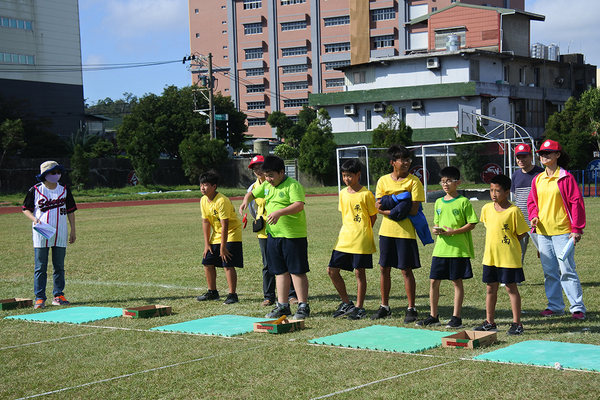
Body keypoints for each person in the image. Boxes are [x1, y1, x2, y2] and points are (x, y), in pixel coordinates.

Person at [239, 155, 310, 319]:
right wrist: (244, 201)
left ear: (281, 172)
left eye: (271, 175)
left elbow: (298, 205)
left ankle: (303, 306)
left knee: (297, 271)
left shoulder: (293, 186)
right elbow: (252, 193)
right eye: (266, 176)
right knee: (279, 272)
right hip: (273, 235)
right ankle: (283, 306)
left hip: (293, 236)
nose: (268, 179)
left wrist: (280, 212)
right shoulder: (266, 186)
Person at [527, 139, 586, 320]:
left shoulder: (566, 178)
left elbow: (577, 203)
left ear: (557, 155)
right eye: (541, 154)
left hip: (563, 232)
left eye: (547, 153)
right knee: (549, 271)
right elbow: (532, 202)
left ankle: (577, 308)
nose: (543, 156)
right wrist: (534, 215)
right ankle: (555, 306)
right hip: (543, 234)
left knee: (567, 269)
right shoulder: (538, 179)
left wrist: (576, 229)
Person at [416, 166, 478, 329]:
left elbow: (472, 223)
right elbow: (437, 222)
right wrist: (436, 229)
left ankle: (456, 317)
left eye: (449, 181)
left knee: (456, 282)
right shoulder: (438, 202)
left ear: (457, 182)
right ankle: (433, 316)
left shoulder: (463, 202)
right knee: (434, 281)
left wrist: (454, 232)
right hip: (441, 249)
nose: (445, 184)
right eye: (443, 181)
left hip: (458, 250)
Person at [372, 145, 425, 323]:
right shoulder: (383, 181)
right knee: (383, 268)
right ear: (393, 162)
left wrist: (390, 206)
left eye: (408, 159)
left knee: (406, 270)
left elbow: (413, 209)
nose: (407, 162)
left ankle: (411, 308)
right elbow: (379, 206)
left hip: (405, 232)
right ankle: (384, 307)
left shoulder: (414, 182)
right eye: (403, 159)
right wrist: (397, 208)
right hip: (386, 232)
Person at [474, 174, 529, 335]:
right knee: (490, 288)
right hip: (490, 257)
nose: (493, 194)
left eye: (497, 191)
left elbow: (521, 233)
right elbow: (488, 227)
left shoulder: (514, 211)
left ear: (507, 192)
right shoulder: (486, 209)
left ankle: (517, 324)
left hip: (508, 258)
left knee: (511, 289)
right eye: (491, 190)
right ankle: (490, 322)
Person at [22, 161, 77, 309]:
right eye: (53, 173)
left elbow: (71, 210)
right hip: (42, 231)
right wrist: (35, 220)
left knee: (59, 266)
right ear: (45, 174)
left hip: (61, 231)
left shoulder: (64, 189)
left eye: (58, 172)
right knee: (40, 266)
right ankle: (40, 298)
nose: (56, 175)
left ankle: (58, 295)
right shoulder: (36, 190)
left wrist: (73, 229)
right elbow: (25, 208)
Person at [327, 159, 377, 320]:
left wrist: (363, 231)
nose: (346, 179)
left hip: (361, 239)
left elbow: (372, 217)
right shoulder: (342, 193)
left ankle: (359, 307)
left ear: (358, 175)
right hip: (344, 238)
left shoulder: (367, 194)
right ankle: (346, 303)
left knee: (359, 272)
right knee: (332, 271)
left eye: (349, 176)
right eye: (344, 176)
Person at [246, 155, 297, 307]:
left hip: (281, 228)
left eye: (260, 167)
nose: (258, 171)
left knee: (286, 263)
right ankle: (269, 296)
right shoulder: (253, 188)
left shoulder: (280, 184)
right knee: (267, 264)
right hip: (264, 229)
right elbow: (251, 207)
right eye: (255, 169)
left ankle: (291, 295)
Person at [197, 170, 243, 305]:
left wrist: (223, 247)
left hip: (232, 233)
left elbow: (225, 225)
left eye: (206, 185)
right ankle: (212, 292)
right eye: (201, 185)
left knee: (227, 263)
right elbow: (205, 222)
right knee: (207, 261)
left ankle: (232, 295)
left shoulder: (222, 200)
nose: (202, 188)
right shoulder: (203, 200)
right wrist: (207, 243)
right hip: (217, 234)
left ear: (214, 186)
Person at [511, 143, 544, 268]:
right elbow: (516, 196)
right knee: (517, 251)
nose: (521, 160)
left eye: (524, 156)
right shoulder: (515, 175)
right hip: (520, 220)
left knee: (544, 250)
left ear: (531, 157)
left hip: (537, 220)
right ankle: (516, 278)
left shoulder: (541, 173)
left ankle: (555, 277)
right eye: (518, 157)